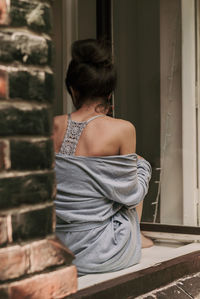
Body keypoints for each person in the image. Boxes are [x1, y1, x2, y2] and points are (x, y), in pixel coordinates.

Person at [53, 39, 152, 276]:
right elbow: (130, 195)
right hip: (103, 254)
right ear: (109, 93)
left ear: (73, 89)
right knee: (140, 163)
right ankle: (136, 234)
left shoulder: (53, 125)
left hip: (61, 248)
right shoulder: (123, 129)